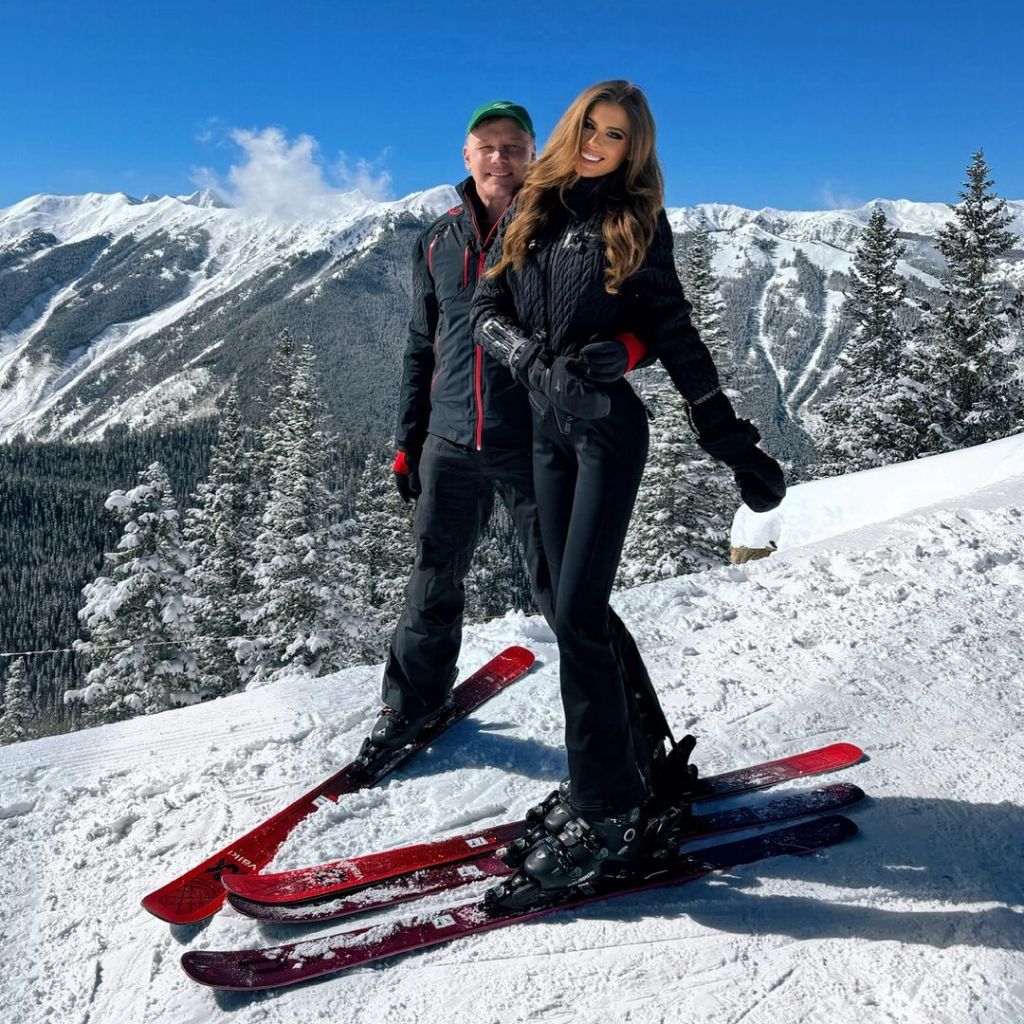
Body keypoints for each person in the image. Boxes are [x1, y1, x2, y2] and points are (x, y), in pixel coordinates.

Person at [471, 80, 786, 903]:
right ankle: (635, 766)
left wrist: (727, 437)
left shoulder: (634, 224)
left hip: (608, 432)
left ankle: (606, 809)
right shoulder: (529, 212)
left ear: (631, 148)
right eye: (590, 127)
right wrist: (530, 360)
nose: (597, 144)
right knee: (572, 610)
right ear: (572, 127)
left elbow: (675, 331)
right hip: (547, 432)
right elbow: (484, 309)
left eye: (616, 135)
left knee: (577, 610)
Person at [370, 100, 554, 750]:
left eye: (513, 146)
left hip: (535, 442)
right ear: (466, 156)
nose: (500, 157)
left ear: (533, 154)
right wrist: (406, 441)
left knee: (565, 590)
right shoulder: (438, 241)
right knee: (432, 579)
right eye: (488, 146)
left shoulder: (557, 231)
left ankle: (622, 737)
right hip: (448, 442)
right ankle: (410, 711)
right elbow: (422, 346)